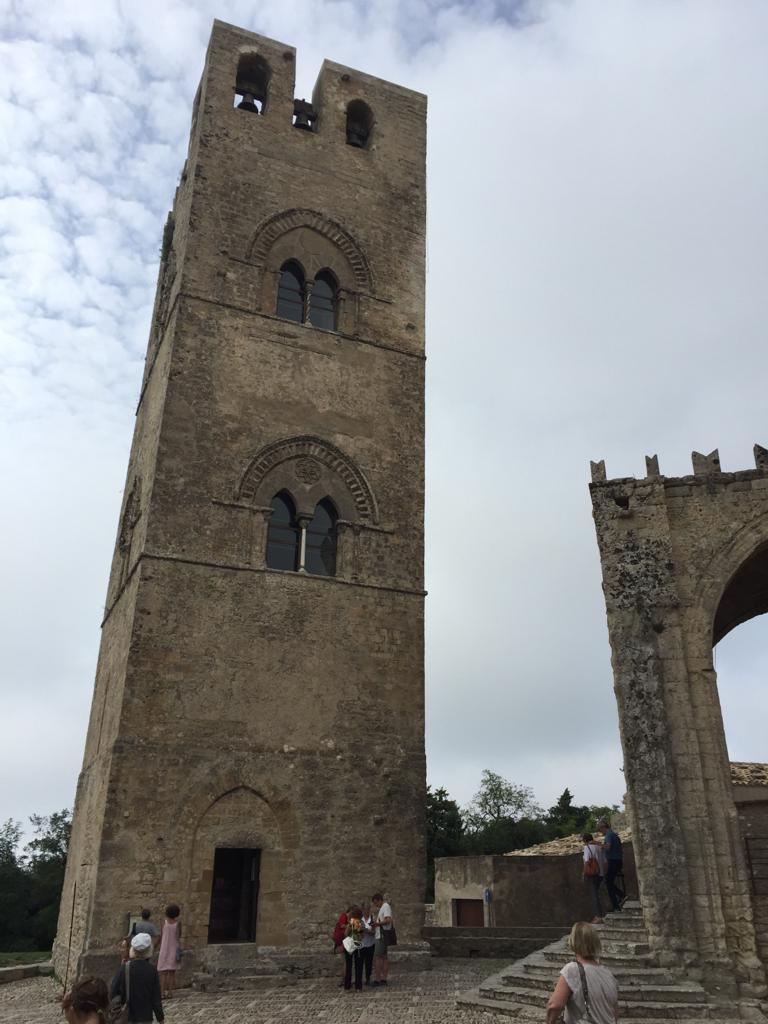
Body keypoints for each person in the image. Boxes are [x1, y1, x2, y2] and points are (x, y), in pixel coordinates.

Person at [546, 921, 619, 1024]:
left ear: (573, 942)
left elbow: (554, 1006)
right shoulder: (608, 974)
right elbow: (614, 1011)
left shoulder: (572, 970)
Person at [110, 932, 165, 1023]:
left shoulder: (125, 968)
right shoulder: (152, 970)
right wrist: (161, 1019)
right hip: (145, 1018)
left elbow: (113, 991)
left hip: (127, 1016)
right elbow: (156, 999)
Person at [597, 817, 625, 912]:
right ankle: (620, 898)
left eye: (600, 829)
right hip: (617, 861)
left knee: (608, 882)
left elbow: (608, 847)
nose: (600, 832)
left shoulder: (609, 835)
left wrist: (598, 844)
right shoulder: (614, 834)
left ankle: (617, 904)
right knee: (609, 882)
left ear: (603, 827)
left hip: (614, 862)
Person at [156, 903, 182, 999]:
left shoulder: (164, 922)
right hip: (173, 948)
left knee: (163, 972)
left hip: (164, 948)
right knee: (171, 972)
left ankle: (162, 993)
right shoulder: (178, 923)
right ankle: (170, 992)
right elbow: (179, 935)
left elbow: (161, 935)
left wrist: (156, 945)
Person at [582, 832, 605, 923]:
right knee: (597, 894)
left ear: (585, 840)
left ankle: (598, 916)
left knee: (594, 895)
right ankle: (601, 914)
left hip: (592, 875)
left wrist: (584, 873)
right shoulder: (599, 847)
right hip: (600, 873)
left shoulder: (587, 848)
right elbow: (605, 861)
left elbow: (587, 862)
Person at [371, 892, 394, 986]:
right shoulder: (384, 907)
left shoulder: (385, 906)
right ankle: (383, 979)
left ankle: (378, 979)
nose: (376, 905)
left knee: (378, 957)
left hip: (381, 936)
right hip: (382, 935)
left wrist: (377, 924)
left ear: (380, 900)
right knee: (384, 957)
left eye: (376, 903)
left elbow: (388, 920)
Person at [343, 905, 364, 991]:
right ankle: (358, 987)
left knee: (349, 966)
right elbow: (362, 936)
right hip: (358, 946)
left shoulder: (351, 922)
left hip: (349, 945)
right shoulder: (360, 923)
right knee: (358, 966)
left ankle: (347, 986)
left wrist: (349, 926)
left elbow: (345, 934)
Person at [360, 901, 376, 985]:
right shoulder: (359, 919)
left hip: (370, 944)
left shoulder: (373, 918)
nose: (366, 911)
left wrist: (367, 931)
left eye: (368, 909)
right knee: (360, 962)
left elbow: (375, 931)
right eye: (365, 909)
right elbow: (356, 932)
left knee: (369, 962)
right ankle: (359, 979)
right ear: (362, 910)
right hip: (361, 944)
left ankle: (368, 978)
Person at [332, 907, 350, 986]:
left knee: (344, 962)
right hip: (344, 942)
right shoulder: (344, 916)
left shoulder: (344, 917)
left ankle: (344, 979)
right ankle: (344, 979)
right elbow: (343, 927)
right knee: (345, 962)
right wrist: (351, 925)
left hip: (342, 942)